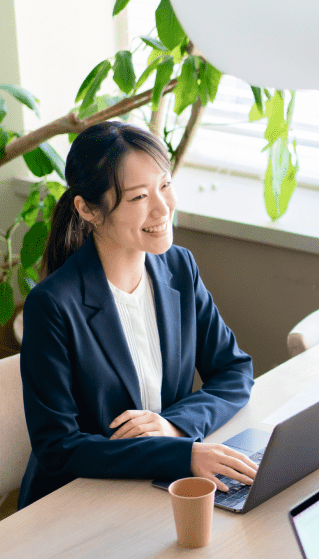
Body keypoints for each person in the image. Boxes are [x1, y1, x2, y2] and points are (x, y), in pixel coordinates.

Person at [18, 121, 258, 508]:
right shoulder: (53, 305)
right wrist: (183, 455)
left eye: (165, 185)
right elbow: (58, 448)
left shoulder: (179, 268)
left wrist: (175, 426)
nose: (162, 208)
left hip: (157, 492)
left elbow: (233, 371)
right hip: (79, 503)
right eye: (138, 197)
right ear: (88, 210)